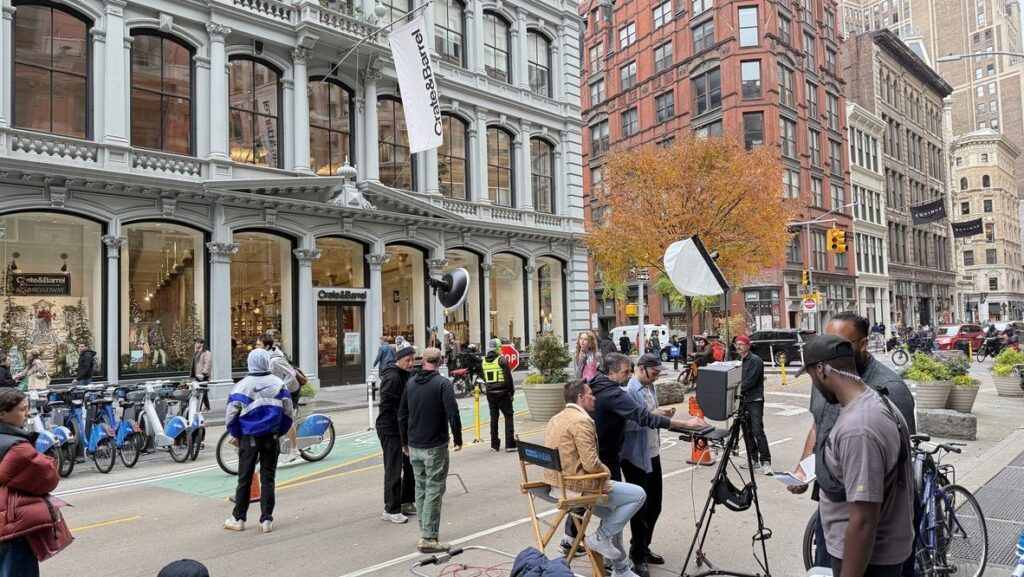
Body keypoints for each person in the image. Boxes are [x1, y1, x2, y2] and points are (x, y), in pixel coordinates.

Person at [789, 311, 917, 571]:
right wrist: (804, 468)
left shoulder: (868, 414)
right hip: (837, 523)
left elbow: (864, 519)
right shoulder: (853, 391)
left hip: (864, 545)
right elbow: (819, 424)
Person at [544, 379, 647, 577]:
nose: (594, 397)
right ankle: (599, 538)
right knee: (638, 494)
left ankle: (621, 568)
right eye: (590, 393)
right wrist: (606, 472)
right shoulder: (582, 421)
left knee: (614, 516)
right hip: (577, 487)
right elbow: (591, 463)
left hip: (556, 486)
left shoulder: (556, 418)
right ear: (581, 398)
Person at [398, 347, 463, 553]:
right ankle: (428, 537)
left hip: (415, 445)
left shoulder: (411, 383)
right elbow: (453, 412)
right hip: (435, 445)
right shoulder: (442, 383)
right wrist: (458, 438)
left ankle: (424, 530)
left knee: (421, 488)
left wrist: (404, 442)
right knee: (434, 489)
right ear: (440, 361)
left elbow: (402, 414)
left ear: (423, 360)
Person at [619, 354, 678, 577]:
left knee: (655, 505)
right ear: (641, 369)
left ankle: (642, 546)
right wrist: (654, 415)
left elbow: (652, 417)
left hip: (652, 452)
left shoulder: (649, 389)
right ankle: (638, 557)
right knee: (640, 508)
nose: (655, 378)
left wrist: (662, 415)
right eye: (653, 374)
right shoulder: (628, 392)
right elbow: (627, 425)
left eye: (658, 375)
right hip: (635, 457)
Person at [223, 349, 293, 534]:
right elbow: (288, 413)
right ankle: (266, 520)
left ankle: (238, 518)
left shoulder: (240, 386)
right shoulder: (278, 384)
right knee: (268, 478)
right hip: (272, 436)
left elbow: (230, 417)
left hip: (249, 437)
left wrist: (238, 434)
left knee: (244, 479)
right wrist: (280, 430)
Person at [0, 388, 60, 577]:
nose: (27, 414)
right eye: (22, 409)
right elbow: (48, 479)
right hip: (13, 527)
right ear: (3, 414)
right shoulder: (17, 448)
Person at [376, 346, 418, 523]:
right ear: (398, 360)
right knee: (394, 467)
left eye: (412, 360)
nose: (410, 364)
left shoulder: (407, 374)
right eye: (407, 360)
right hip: (391, 428)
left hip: (403, 427)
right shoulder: (392, 377)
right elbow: (386, 404)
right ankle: (391, 509)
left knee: (409, 465)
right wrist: (400, 419)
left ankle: (406, 501)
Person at [257, 334, 300, 462]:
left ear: (267, 346)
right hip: (275, 391)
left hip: (289, 390)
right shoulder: (263, 357)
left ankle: (294, 449)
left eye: (259, 344)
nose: (256, 346)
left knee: (286, 418)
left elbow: (291, 374)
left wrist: (280, 389)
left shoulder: (275, 360)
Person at [734, 335, 772, 475]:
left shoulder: (755, 361)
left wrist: (732, 389)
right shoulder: (738, 362)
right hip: (742, 400)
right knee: (747, 431)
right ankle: (753, 459)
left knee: (757, 431)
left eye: (741, 344)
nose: (738, 346)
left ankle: (766, 461)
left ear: (748, 346)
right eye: (736, 344)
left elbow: (750, 381)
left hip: (754, 400)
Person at [481, 338, 516, 452]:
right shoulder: (502, 360)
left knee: (493, 418)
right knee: (508, 416)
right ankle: (510, 444)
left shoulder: (484, 362)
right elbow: (508, 379)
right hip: (502, 392)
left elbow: (484, 377)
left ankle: (494, 444)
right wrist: (511, 392)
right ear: (498, 347)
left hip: (490, 393)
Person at [190, 338, 212, 411]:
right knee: (202, 392)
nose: (196, 344)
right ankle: (206, 407)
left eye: (197, 343)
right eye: (195, 343)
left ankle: (200, 408)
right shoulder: (197, 352)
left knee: (202, 392)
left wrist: (203, 374)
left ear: (202, 344)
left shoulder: (206, 352)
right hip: (197, 375)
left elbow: (207, 364)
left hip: (203, 376)